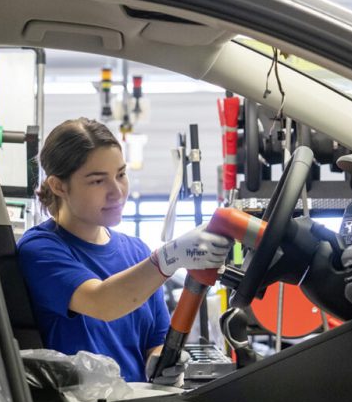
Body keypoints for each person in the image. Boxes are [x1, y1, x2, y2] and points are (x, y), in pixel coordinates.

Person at [17, 118, 230, 383]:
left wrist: (161, 363)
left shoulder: (137, 251)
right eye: (97, 181)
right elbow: (101, 302)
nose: (117, 192)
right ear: (59, 186)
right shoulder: (40, 248)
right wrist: (168, 258)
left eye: (120, 175)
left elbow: (155, 340)